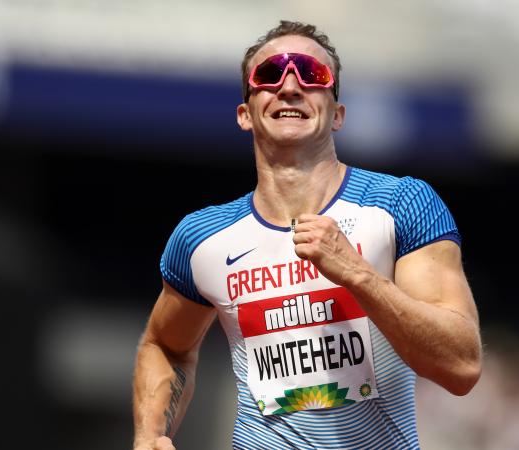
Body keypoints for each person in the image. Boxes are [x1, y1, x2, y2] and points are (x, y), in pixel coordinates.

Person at [133, 20, 482, 450]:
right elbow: (165, 344)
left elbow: (462, 366)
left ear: (337, 115)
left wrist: (359, 275)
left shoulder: (401, 205)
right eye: (269, 75)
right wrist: (150, 434)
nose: (290, 86)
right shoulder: (203, 238)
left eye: (311, 75)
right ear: (245, 114)